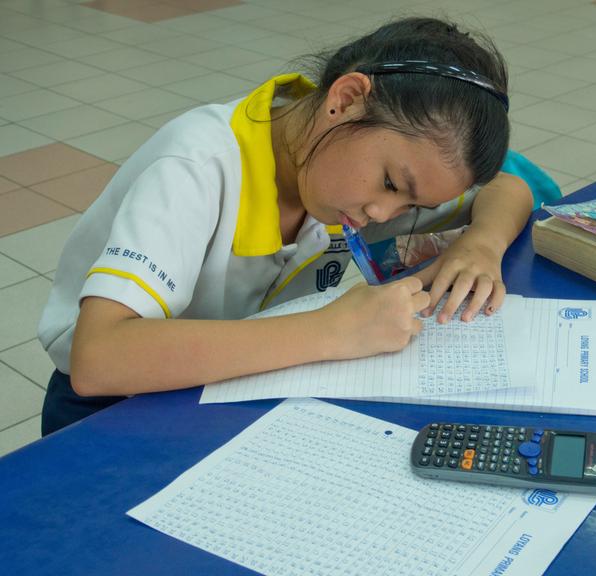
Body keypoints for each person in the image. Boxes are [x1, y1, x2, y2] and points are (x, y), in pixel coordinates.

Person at [38, 17, 543, 436]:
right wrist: (333, 331)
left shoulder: (351, 180)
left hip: (234, 384)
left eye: (414, 204)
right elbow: (99, 358)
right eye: (391, 184)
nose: (385, 216)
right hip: (112, 409)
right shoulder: (197, 166)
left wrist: (480, 244)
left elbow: (513, 188)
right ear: (344, 100)